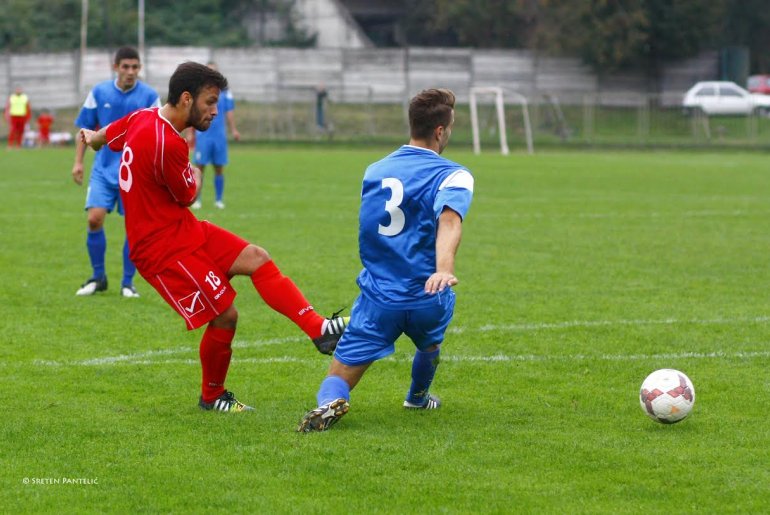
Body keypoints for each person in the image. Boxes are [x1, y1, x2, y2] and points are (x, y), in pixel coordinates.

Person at [78, 61, 348, 413]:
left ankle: (319, 329)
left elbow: (105, 136)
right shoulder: (169, 145)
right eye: (210, 102)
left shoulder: (143, 117)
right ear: (187, 99)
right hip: (161, 250)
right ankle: (212, 396)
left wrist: (93, 139)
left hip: (182, 229)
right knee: (226, 316)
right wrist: (192, 164)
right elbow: (190, 192)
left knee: (256, 257)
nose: (215, 111)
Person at [297, 88, 474, 432]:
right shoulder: (454, 174)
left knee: (339, 374)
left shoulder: (375, 170)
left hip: (380, 298)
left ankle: (330, 402)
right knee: (430, 342)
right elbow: (450, 221)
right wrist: (444, 269)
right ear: (440, 131)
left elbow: (368, 227)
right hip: (428, 294)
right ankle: (418, 397)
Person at [72, 46, 161, 298]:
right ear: (116, 67)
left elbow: (159, 133)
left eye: (135, 67)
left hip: (136, 174)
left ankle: (127, 282)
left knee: (133, 228)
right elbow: (85, 130)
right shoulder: (99, 92)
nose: (130, 72)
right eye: (126, 67)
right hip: (103, 169)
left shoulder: (149, 96)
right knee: (94, 219)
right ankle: (98, 277)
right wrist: (78, 162)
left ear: (139, 69)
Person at [190, 62, 240, 210]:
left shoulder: (225, 92)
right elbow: (193, 113)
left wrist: (234, 129)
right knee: (199, 168)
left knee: (219, 168)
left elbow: (229, 112)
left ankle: (218, 200)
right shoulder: (198, 91)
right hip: (203, 135)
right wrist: (190, 133)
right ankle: (196, 199)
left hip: (219, 136)